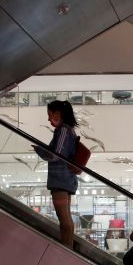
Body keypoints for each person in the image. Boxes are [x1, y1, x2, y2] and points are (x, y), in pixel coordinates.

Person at [34, 100, 79, 246]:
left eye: (50, 115)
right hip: (66, 180)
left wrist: (39, 150)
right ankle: (68, 250)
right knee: (67, 220)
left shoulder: (63, 130)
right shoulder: (69, 130)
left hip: (60, 179)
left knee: (64, 221)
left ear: (57, 113)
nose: (48, 119)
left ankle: (67, 251)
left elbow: (56, 155)